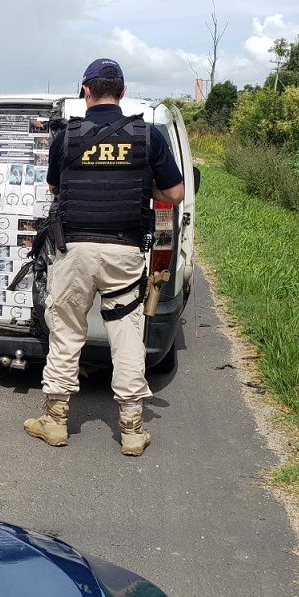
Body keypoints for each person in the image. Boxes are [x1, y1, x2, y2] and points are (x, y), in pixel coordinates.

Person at [24, 58, 185, 457]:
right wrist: (140, 188)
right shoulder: (148, 136)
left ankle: (55, 421)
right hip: (124, 251)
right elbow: (175, 193)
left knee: (66, 332)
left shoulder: (67, 136)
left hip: (73, 251)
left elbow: (55, 188)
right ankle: (131, 429)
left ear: (85, 91)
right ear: (122, 92)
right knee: (126, 336)